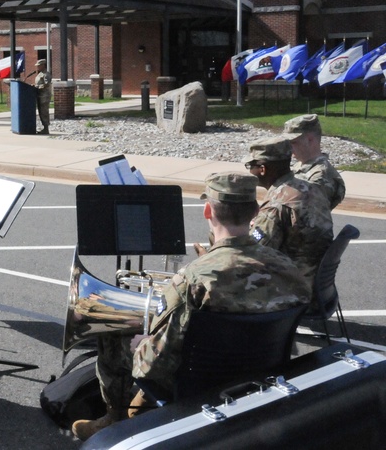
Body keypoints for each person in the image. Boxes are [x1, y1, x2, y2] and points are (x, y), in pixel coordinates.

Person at [71, 172, 310, 440]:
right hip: (263, 378)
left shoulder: (194, 279)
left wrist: (140, 346)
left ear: (208, 210)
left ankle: (114, 424)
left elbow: (154, 366)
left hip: (199, 386)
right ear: (255, 211)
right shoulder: (291, 272)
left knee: (112, 341)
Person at [246, 137, 334, 286]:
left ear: (262, 169)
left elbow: (252, 255)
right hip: (315, 283)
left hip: (291, 290)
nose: (249, 170)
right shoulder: (312, 188)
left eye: (249, 165)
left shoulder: (277, 205)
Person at [281, 114, 346, 209]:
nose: (289, 147)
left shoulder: (321, 176)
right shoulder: (301, 165)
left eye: (294, 142)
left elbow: (305, 214)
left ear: (310, 139)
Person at [34, 59, 51, 135]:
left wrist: (37, 87)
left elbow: (47, 84)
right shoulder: (40, 74)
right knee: (41, 112)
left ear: (43, 65)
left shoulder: (46, 74)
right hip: (39, 95)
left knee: (44, 112)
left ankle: (46, 128)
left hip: (44, 96)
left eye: (39, 66)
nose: (37, 67)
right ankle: (44, 127)